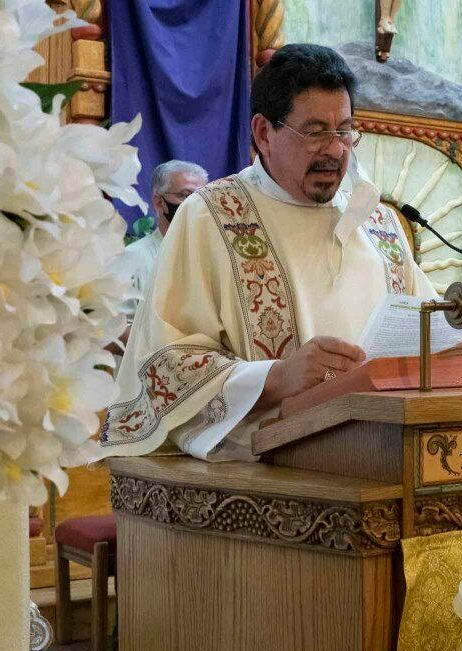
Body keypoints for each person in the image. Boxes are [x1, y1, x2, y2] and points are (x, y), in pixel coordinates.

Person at [99, 44, 437, 462]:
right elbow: (167, 364)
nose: (335, 150)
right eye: (315, 132)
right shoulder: (212, 216)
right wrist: (277, 378)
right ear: (263, 133)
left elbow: (425, 329)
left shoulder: (379, 223)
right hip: (269, 473)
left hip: (388, 456)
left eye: (345, 130)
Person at [121, 160, 209, 321]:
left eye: (201, 196)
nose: (195, 203)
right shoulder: (131, 259)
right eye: (185, 195)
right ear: (158, 202)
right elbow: (119, 329)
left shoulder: (215, 255)